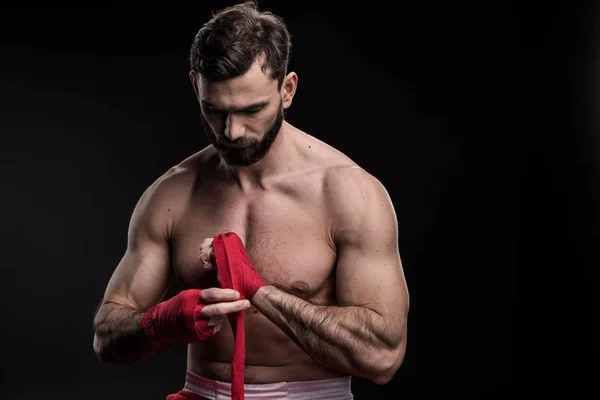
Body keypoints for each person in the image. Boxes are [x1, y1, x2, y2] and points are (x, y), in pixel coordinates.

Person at [92, 1, 410, 399]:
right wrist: (160, 322)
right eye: (215, 110)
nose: (233, 131)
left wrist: (259, 290)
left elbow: (382, 356)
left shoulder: (349, 194)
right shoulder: (171, 194)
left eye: (252, 109)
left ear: (287, 89)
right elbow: (106, 338)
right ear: (196, 88)